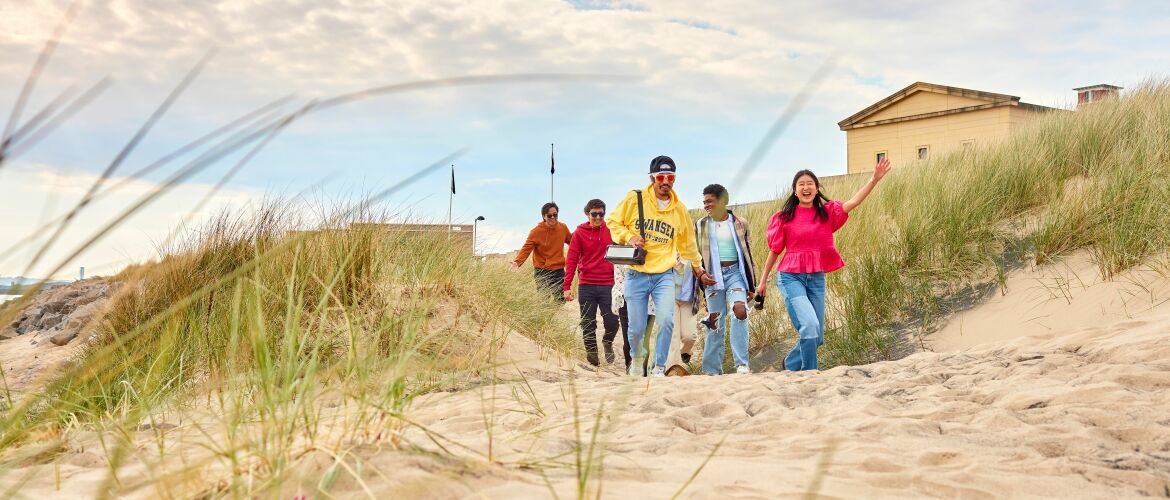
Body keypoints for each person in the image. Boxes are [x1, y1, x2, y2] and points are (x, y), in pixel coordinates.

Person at [756, 159, 891, 371]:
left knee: (817, 337)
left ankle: (790, 363)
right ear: (794, 191)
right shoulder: (784, 218)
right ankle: (811, 373)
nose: (806, 187)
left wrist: (874, 179)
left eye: (810, 183)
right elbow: (774, 250)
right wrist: (762, 282)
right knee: (809, 327)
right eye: (801, 184)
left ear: (817, 189)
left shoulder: (827, 213)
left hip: (816, 277)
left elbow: (853, 202)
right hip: (791, 277)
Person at [606, 155, 713, 377]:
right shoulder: (634, 199)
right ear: (653, 178)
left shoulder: (679, 210)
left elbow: (688, 245)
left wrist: (698, 268)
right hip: (636, 274)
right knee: (635, 330)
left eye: (670, 177)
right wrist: (629, 236)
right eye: (661, 177)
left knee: (666, 322)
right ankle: (636, 360)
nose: (666, 181)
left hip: (664, 274)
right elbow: (613, 222)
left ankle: (659, 367)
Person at [695, 184, 758, 375]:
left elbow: (748, 254)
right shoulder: (700, 225)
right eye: (704, 201)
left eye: (710, 201)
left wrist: (751, 284)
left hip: (735, 274)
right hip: (712, 277)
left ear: (722, 201)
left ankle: (742, 365)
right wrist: (700, 275)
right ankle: (712, 370)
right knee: (715, 321)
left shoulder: (740, 222)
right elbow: (695, 255)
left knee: (740, 310)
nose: (706, 205)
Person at [563, 199, 619, 366]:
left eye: (601, 214)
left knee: (612, 321)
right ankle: (593, 358)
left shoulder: (611, 231)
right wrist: (566, 287)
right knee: (588, 322)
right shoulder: (579, 233)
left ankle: (607, 341)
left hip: (609, 284)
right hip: (586, 284)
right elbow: (571, 260)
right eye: (594, 214)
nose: (598, 217)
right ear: (587, 214)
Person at [511, 202, 572, 301]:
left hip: (558, 270)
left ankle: (551, 316)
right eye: (549, 215)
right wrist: (517, 262)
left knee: (561, 299)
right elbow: (526, 248)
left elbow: (571, 241)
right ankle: (545, 316)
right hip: (542, 271)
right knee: (544, 301)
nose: (553, 217)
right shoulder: (536, 231)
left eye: (555, 215)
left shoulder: (563, 228)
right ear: (544, 216)